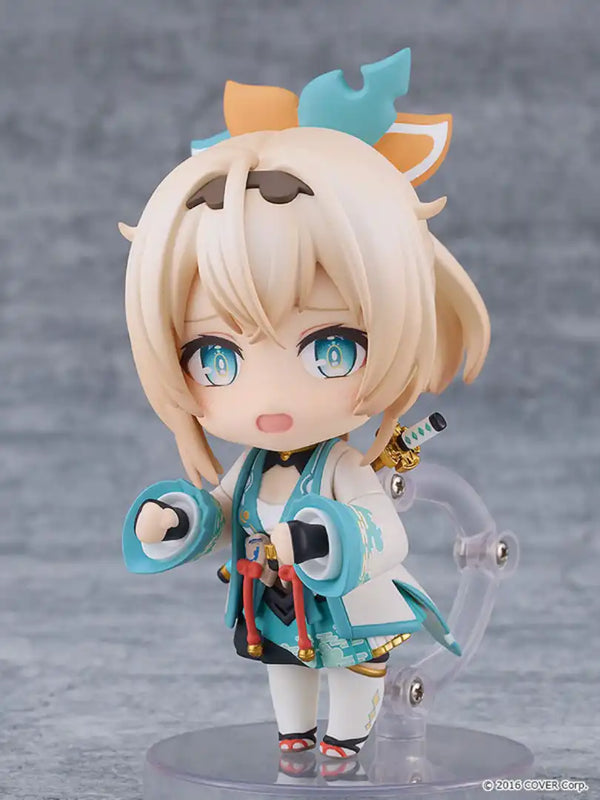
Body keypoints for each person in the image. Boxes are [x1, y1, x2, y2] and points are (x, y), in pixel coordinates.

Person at [120, 51, 490, 758]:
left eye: (331, 349)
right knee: (285, 665)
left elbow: (388, 535)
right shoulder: (254, 469)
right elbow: (222, 512)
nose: (269, 398)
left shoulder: (342, 467)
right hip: (275, 600)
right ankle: (294, 732)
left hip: (348, 601)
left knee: (351, 669)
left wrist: (321, 538)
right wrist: (177, 519)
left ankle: (347, 738)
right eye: (215, 358)